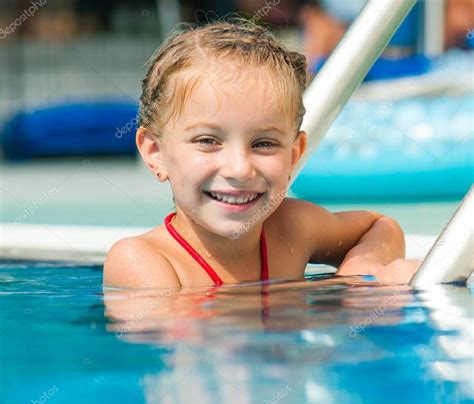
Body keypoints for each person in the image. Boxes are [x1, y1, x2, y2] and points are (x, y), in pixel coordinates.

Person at [103, 19, 419, 289]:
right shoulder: (143, 262)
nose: (240, 169)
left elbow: (380, 227)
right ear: (155, 152)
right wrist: (338, 289)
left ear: (294, 156)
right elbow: (213, 345)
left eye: (264, 144)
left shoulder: (292, 228)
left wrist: (365, 271)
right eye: (208, 140)